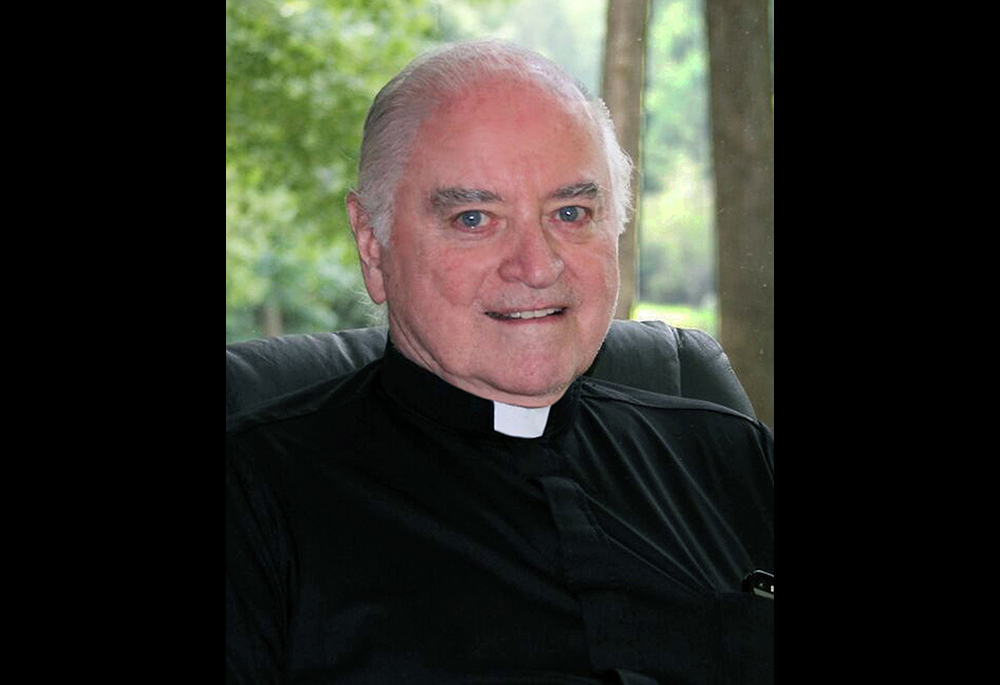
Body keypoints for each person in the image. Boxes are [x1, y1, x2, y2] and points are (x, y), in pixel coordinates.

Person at [227, 40, 773, 684]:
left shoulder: (732, 457)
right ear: (372, 245)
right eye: (474, 218)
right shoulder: (253, 500)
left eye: (571, 214)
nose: (537, 268)